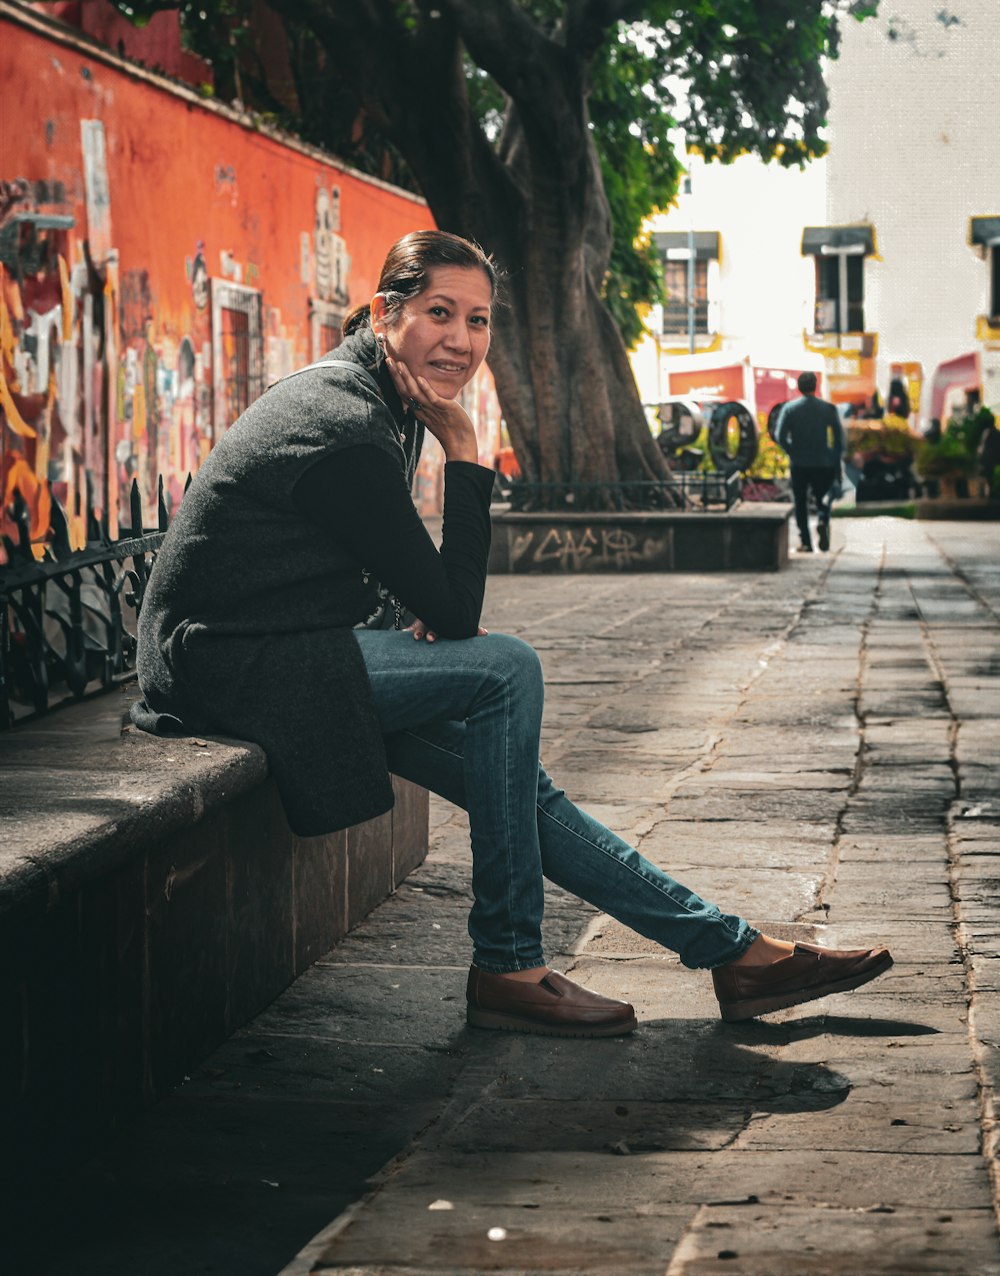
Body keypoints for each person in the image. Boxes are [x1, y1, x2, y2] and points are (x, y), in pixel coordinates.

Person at [132, 232, 891, 1035]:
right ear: (387, 313)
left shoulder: (378, 398)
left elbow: (387, 577)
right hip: (230, 665)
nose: (461, 340)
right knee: (505, 670)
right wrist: (466, 450)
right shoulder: (343, 419)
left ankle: (729, 953)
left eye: (480, 320)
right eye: (439, 313)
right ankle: (508, 962)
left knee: (522, 790)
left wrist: (419, 604)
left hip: (283, 647)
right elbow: (457, 614)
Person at [776, 371, 846, 553]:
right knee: (823, 498)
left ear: (799, 387)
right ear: (816, 386)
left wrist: (792, 450)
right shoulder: (828, 409)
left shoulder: (790, 409)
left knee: (800, 502)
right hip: (823, 461)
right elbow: (838, 439)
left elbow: (780, 436)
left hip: (799, 463)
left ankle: (805, 542)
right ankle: (823, 520)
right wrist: (834, 458)